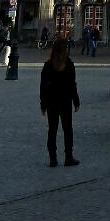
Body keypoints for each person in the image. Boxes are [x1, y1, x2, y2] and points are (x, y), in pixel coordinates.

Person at [40, 38, 80, 167]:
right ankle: (68, 157)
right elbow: (72, 85)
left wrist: (43, 104)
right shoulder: (69, 64)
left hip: (52, 101)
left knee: (52, 130)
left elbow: (43, 87)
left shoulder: (48, 65)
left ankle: (53, 158)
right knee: (67, 129)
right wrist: (76, 100)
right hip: (65, 101)